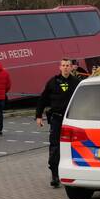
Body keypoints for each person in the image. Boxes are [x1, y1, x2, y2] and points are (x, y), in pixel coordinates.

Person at [35, 58, 82, 188]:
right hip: (56, 118)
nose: (66, 68)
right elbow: (42, 99)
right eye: (63, 65)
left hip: (73, 120)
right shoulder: (53, 82)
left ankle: (75, 172)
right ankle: (55, 175)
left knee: (75, 146)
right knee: (55, 146)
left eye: (68, 65)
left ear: (72, 67)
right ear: (59, 67)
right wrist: (38, 116)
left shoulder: (77, 83)